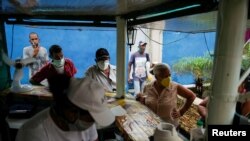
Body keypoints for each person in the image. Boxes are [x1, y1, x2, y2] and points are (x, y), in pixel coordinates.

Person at [15, 74, 115, 141]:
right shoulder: (33, 133)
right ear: (71, 111)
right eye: (92, 118)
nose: (93, 122)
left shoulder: (85, 121)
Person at [136, 63, 196, 127]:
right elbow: (146, 101)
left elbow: (192, 96)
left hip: (170, 126)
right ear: (156, 76)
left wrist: (181, 112)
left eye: (169, 75)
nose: (168, 78)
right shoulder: (147, 87)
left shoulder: (175, 86)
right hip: (151, 125)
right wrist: (140, 99)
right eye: (164, 76)